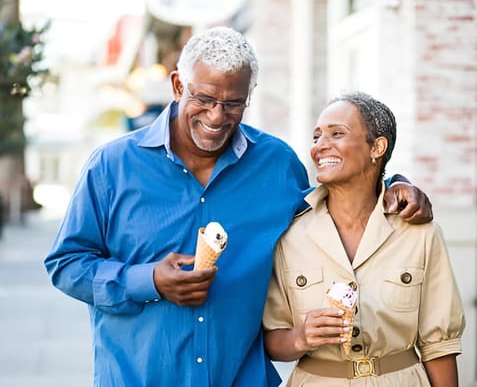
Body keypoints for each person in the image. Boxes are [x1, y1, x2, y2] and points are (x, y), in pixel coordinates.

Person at [44, 27, 433, 387]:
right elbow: (66, 264)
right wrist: (149, 281)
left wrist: (394, 183)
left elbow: (337, 208)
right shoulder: (113, 166)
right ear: (179, 85)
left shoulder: (276, 165)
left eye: (233, 104)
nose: (217, 117)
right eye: (205, 99)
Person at [262, 91, 465, 386]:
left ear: (377, 147)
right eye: (317, 136)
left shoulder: (420, 233)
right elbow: (270, 338)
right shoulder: (290, 234)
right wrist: (300, 338)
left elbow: (440, 346)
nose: (320, 146)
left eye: (337, 133)